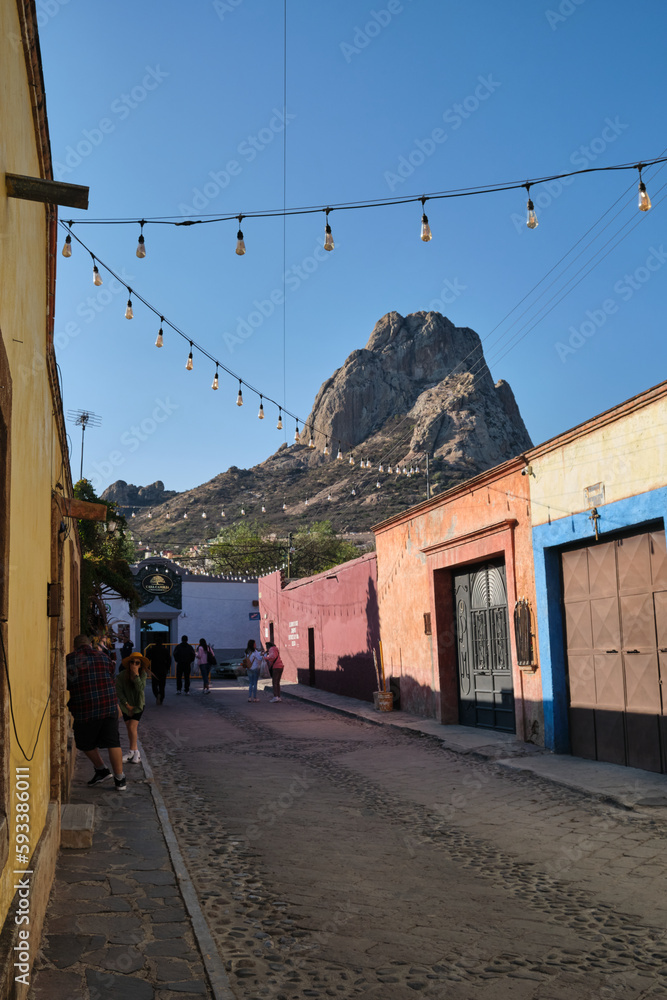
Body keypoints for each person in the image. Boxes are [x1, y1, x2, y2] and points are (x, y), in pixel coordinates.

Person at [66, 634, 127, 791]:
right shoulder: (104, 657)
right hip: (109, 705)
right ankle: (120, 780)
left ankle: (101, 769)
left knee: (83, 742)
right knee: (113, 742)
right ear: (90, 644)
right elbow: (111, 678)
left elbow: (67, 683)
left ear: (74, 646)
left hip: (85, 708)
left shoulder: (70, 659)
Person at [116, 651, 150, 763]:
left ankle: (133, 751)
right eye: (132, 662)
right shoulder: (122, 675)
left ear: (140, 665)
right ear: (129, 663)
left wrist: (136, 675)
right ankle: (134, 752)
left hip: (138, 704)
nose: (134, 664)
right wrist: (126, 704)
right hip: (126, 705)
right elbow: (119, 691)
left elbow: (140, 689)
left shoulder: (142, 675)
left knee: (132, 727)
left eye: (137, 663)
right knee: (130, 728)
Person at [145, 634, 171, 704]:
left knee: (154, 685)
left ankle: (157, 695)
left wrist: (147, 668)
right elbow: (169, 660)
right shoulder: (165, 650)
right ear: (162, 643)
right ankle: (161, 697)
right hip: (163, 669)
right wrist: (167, 668)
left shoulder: (152, 650)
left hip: (154, 669)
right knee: (162, 685)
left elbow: (147, 659)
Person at [245, 639, 263, 703]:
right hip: (255, 668)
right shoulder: (255, 651)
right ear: (253, 644)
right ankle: (255, 697)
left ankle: (249, 697)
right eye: (255, 644)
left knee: (250, 683)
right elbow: (259, 658)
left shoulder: (246, 651)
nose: (255, 645)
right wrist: (263, 655)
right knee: (255, 683)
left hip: (248, 668)